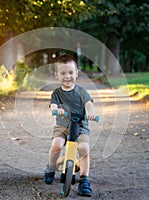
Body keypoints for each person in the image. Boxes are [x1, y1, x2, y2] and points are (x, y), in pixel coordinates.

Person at [44, 54, 96, 197]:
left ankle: (84, 179)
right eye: (63, 73)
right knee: (57, 145)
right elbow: (53, 105)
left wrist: (90, 112)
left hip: (80, 127)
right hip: (63, 127)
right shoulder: (57, 93)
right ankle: (51, 168)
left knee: (83, 148)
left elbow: (89, 104)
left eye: (71, 72)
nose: (67, 76)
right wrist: (56, 109)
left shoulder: (81, 92)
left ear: (76, 73)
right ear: (57, 75)